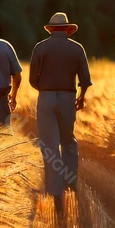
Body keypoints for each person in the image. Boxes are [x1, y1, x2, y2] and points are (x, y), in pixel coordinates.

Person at [29, 12, 92, 198]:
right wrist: (81, 97)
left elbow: (32, 79)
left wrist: (46, 90)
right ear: (66, 29)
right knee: (68, 142)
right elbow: (86, 81)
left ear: (51, 29)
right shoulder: (77, 48)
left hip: (46, 98)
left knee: (50, 145)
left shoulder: (40, 48)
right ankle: (70, 186)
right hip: (68, 98)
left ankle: (54, 190)